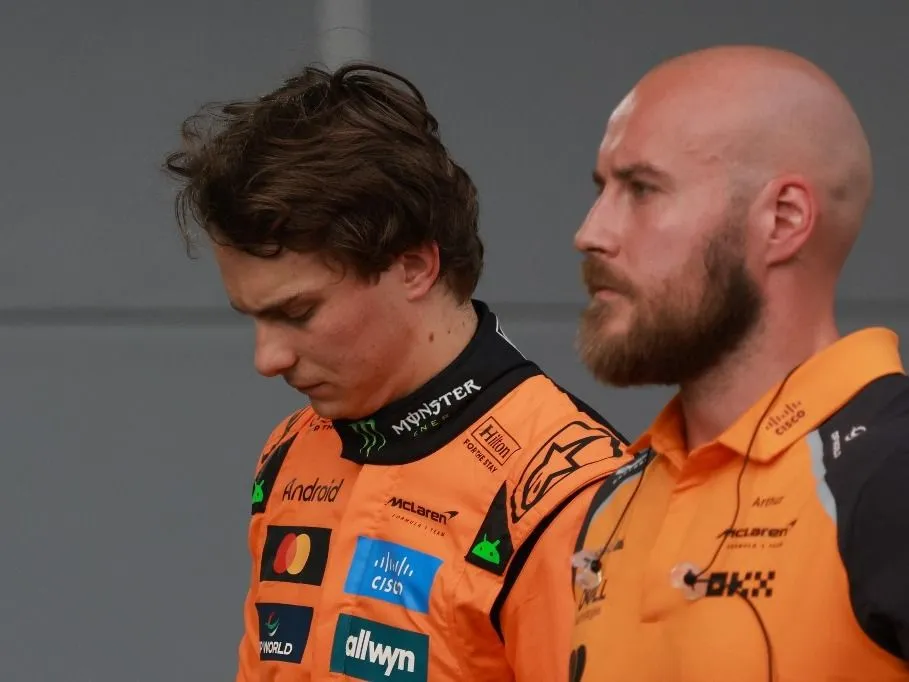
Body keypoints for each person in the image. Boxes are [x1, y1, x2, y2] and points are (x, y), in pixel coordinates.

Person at [162, 62, 630, 682]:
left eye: (297, 312)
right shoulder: (290, 450)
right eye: (251, 317)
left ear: (413, 266)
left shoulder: (571, 491)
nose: (266, 359)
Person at [568, 44, 909, 681]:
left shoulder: (890, 473)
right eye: (602, 188)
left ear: (783, 219)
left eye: (641, 189)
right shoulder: (617, 497)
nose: (591, 232)